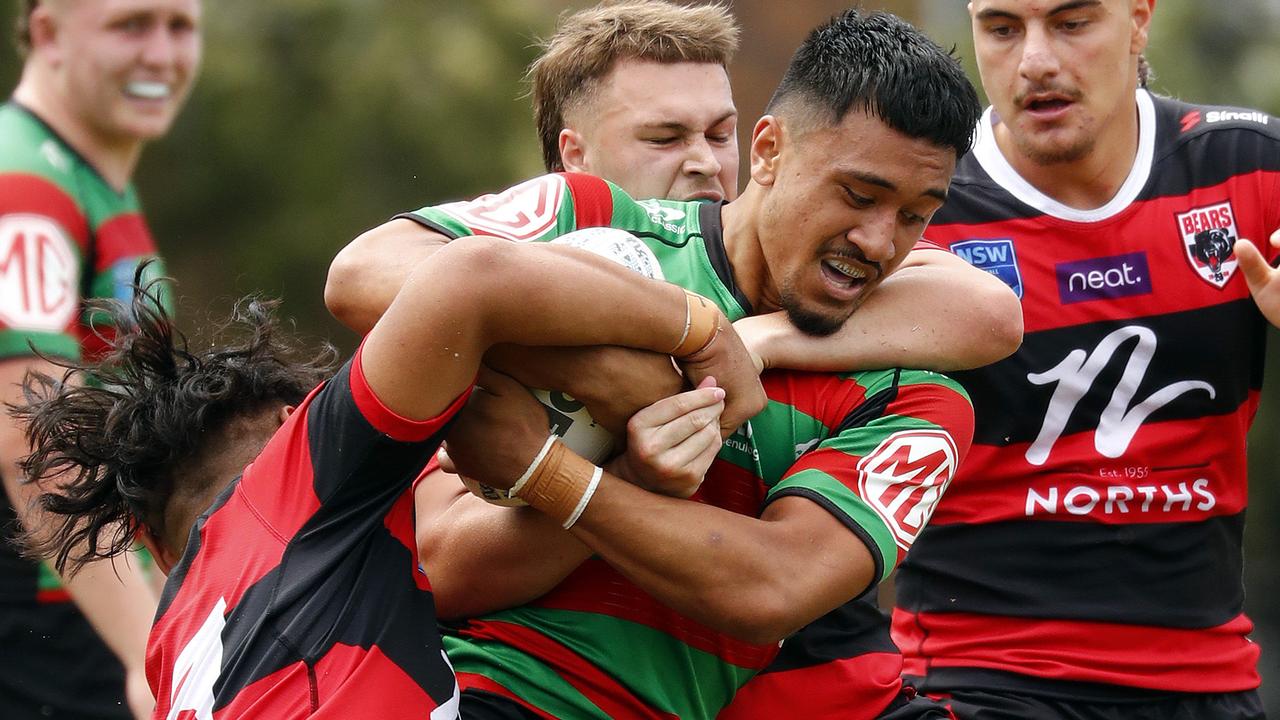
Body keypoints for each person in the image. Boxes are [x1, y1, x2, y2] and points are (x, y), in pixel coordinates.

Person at [326, 10, 983, 719]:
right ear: (769, 152)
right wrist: (635, 356)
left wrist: (551, 471)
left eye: (916, 215)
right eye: (859, 195)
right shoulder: (589, 224)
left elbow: (771, 589)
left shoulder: (915, 392)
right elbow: (363, 275)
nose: (880, 241)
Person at [13, 240, 760, 717]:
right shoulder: (288, 481)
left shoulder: (173, 649)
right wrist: (699, 326)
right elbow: (472, 277)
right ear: (288, 425)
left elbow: (479, 559)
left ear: (155, 542)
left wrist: (624, 477)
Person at [888, 1, 1279, 718]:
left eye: (1071, 23)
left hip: (1209, 681)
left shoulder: (1249, 168)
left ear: (1138, 20)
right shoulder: (917, 204)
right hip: (981, 682)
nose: (1034, 60)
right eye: (1003, 28)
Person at [518, 0, 1021, 375]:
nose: (705, 161)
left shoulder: (823, 268)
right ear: (574, 159)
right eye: (664, 138)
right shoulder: (537, 240)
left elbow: (989, 312)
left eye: (720, 134)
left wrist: (754, 340)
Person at [0, 1, 201, 717]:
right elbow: (34, 432)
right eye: (131, 25)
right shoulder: (25, 183)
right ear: (48, 32)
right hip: (46, 631)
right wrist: (150, 649)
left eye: (181, 27)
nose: (162, 54)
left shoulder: (87, 172)